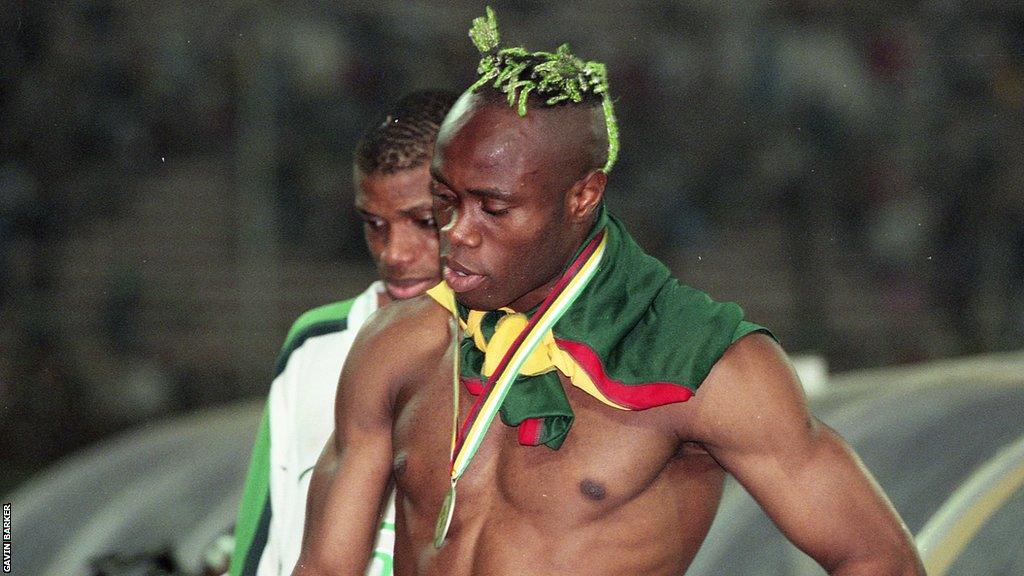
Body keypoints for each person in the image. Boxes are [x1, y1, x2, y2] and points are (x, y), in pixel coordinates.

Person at [294, 10, 925, 576]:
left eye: (493, 208)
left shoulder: (702, 362)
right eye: (445, 203)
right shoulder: (396, 344)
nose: (458, 234)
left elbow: (878, 559)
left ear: (583, 196)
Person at [229, 89, 460, 576]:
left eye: (423, 222)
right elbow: (264, 526)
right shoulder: (318, 340)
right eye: (375, 224)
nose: (394, 252)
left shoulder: (512, 345)